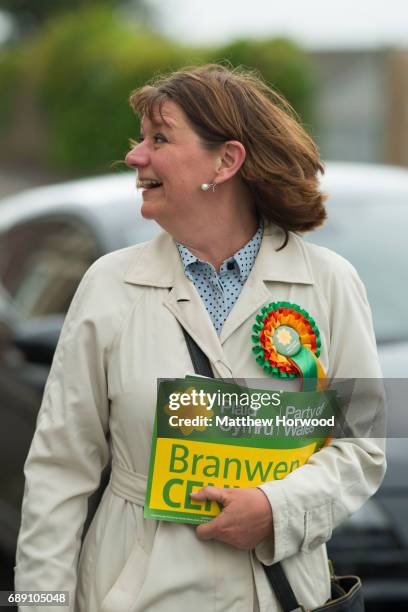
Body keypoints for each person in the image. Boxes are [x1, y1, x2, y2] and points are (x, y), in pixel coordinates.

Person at [15, 64, 385, 612]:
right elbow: (57, 469)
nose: (136, 157)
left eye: (159, 139)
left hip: (282, 596)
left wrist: (275, 507)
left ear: (227, 160)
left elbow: (362, 446)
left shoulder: (329, 282)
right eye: (141, 140)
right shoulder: (107, 283)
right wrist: (37, 605)